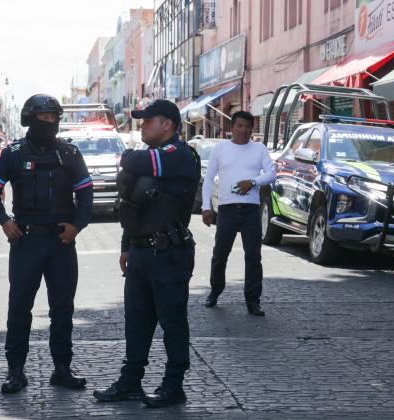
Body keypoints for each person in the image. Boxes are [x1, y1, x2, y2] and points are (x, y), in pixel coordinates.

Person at [0, 94, 93, 394]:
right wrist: (3, 221)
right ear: (29, 119)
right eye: (42, 118)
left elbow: (86, 193)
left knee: (62, 309)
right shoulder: (13, 153)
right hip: (26, 241)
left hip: (61, 242)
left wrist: (77, 225)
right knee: (19, 308)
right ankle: (15, 371)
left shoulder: (69, 153)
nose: (49, 123)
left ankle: (62, 369)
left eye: (53, 118)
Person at [93, 100, 200, 407]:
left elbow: (135, 163)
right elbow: (134, 205)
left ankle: (173, 385)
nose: (142, 125)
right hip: (141, 251)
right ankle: (130, 383)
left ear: (167, 124)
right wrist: (126, 245)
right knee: (136, 322)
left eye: (147, 120)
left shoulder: (179, 155)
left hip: (169, 254)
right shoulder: (155, 155)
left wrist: (127, 156)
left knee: (172, 322)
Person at [201, 111, 276, 315]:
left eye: (247, 127)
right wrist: (206, 208)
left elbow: (271, 174)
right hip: (227, 209)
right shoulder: (220, 149)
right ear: (231, 128)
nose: (243, 131)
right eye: (239, 126)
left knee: (253, 257)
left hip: (251, 210)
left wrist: (252, 182)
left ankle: (253, 301)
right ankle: (215, 291)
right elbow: (208, 180)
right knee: (220, 255)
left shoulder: (259, 149)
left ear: (252, 129)